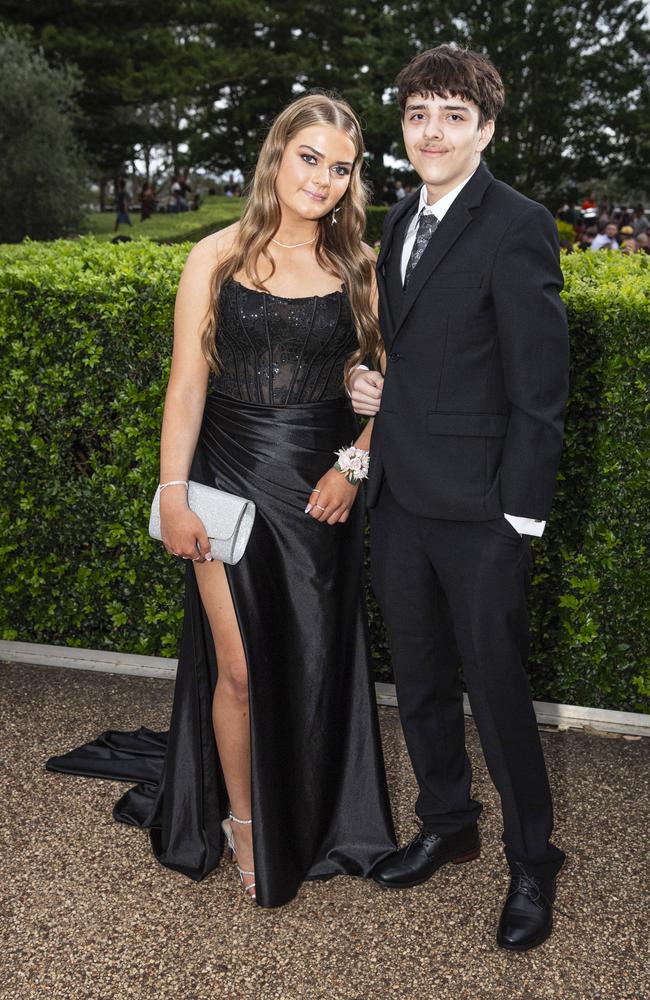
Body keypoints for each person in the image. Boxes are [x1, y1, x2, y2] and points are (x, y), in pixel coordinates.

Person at [47, 93, 396, 908]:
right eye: (309, 158)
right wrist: (173, 496)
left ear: (352, 183)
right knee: (238, 669)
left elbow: (389, 385)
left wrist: (355, 464)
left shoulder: (362, 268)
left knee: (311, 663)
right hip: (228, 483)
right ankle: (244, 821)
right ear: (278, 155)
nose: (323, 179)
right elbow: (185, 386)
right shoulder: (214, 254)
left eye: (340, 168)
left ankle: (312, 810)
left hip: (321, 493)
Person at [349, 44, 569, 951]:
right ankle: (448, 822)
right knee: (424, 684)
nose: (431, 131)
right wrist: (373, 387)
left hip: (482, 511)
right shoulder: (398, 218)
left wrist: (521, 515)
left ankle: (533, 859)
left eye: (451, 114)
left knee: (499, 688)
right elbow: (416, 352)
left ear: (484, 126)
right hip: (400, 499)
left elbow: (539, 384)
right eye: (416, 114)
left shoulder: (518, 223)